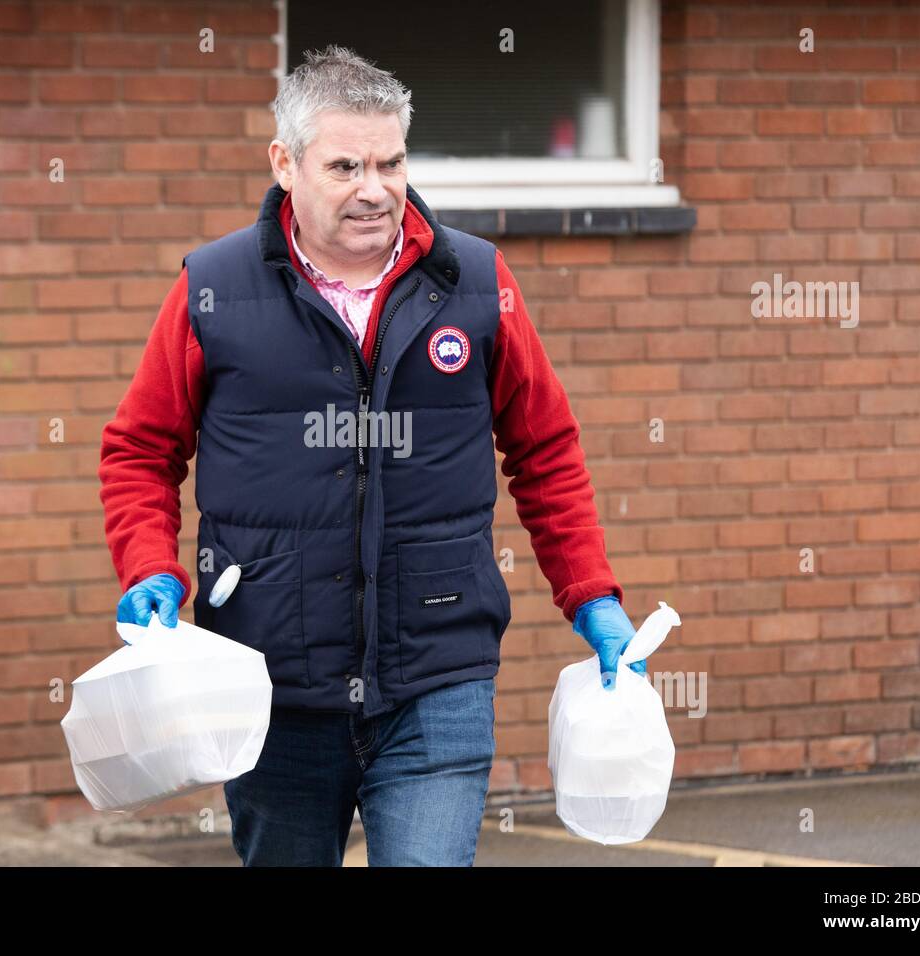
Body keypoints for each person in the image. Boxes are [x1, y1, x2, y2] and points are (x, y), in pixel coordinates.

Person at [99, 45, 649, 867]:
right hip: (269, 681)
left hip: (437, 674)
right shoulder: (213, 287)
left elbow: (544, 448)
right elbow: (141, 448)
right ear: (285, 164)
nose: (375, 188)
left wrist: (591, 594)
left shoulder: (475, 281)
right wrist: (149, 568)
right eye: (346, 165)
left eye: (391, 162)